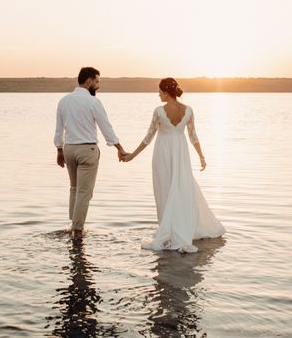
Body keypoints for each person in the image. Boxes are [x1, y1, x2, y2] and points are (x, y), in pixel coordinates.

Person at [122, 77, 225, 252]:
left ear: (166, 92)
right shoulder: (189, 110)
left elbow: (148, 137)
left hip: (163, 153)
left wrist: (132, 155)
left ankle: (169, 230)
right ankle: (180, 227)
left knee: (165, 189)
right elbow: (193, 136)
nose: (158, 95)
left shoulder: (159, 111)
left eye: (160, 92)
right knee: (182, 188)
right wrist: (201, 156)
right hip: (181, 152)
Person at [54, 67, 126, 239]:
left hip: (69, 149)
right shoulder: (94, 102)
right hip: (87, 150)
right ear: (88, 81)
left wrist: (59, 149)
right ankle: (77, 231)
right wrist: (119, 148)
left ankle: (72, 224)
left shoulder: (63, 101)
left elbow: (58, 129)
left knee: (74, 188)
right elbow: (106, 127)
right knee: (84, 192)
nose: (98, 85)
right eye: (97, 81)